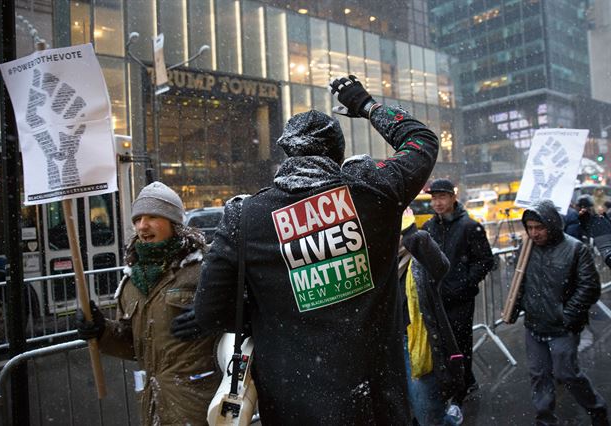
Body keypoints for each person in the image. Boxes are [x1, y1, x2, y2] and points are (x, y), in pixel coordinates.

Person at [193, 75, 439, 424]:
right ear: (337, 155)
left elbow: (211, 313)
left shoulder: (246, 218)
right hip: (376, 404)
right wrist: (366, 106)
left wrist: (276, 310)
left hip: (293, 405)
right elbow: (422, 141)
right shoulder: (374, 193)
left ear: (287, 151)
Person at [76, 182, 220, 426]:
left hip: (198, 404)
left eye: (153, 216)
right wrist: (102, 331)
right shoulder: (132, 282)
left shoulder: (204, 268)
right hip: (153, 405)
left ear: (174, 223)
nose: (143, 225)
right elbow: (134, 345)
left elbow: (247, 315)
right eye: (138, 218)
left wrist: (214, 317)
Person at [508, 199, 608, 426]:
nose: (534, 233)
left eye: (539, 227)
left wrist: (567, 315)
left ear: (551, 225)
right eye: (530, 228)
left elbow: (589, 287)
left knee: (567, 374)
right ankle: (545, 420)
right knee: (539, 376)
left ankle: (597, 409)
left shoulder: (575, 249)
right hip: (534, 326)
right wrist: (515, 307)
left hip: (562, 328)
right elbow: (519, 281)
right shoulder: (526, 249)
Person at [422, 179, 494, 406]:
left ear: (453, 198)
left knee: (459, 344)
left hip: (460, 300)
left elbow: (485, 260)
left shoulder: (469, 227)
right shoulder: (429, 228)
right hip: (435, 298)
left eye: (442, 197)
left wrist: (464, 284)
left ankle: (460, 391)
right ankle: (462, 382)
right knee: (440, 344)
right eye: (433, 198)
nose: (437, 202)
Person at [399, 209, 464, 426]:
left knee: (428, 415)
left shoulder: (418, 260)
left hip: (416, 346)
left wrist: (412, 234)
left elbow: (442, 266)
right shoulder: (376, 264)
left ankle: (450, 419)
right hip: (387, 346)